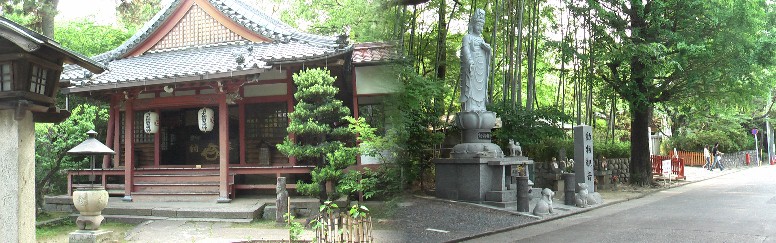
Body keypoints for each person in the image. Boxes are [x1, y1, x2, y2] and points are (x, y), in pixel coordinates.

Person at [460, 8, 492, 112]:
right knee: (471, 87)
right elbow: (465, 50)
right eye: (478, 25)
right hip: (472, 67)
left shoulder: (482, 39)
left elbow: (487, 52)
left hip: (481, 67)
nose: (480, 28)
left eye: (482, 26)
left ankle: (481, 107)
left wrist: (488, 50)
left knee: (481, 87)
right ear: (472, 25)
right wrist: (469, 61)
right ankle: (470, 107)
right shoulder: (467, 37)